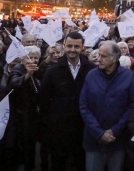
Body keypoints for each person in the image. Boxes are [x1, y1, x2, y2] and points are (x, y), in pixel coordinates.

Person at [39, 31, 95, 171]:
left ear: (82, 47)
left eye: (76, 46)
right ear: (64, 46)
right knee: (59, 162)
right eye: (69, 46)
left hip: (83, 125)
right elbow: (43, 98)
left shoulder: (91, 70)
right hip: (59, 127)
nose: (72, 50)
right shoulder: (53, 71)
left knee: (80, 163)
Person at [80, 41, 134, 171]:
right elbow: (84, 106)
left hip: (117, 140)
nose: (98, 59)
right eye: (99, 55)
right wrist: (99, 133)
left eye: (103, 56)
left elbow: (131, 106)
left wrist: (115, 130)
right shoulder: (91, 75)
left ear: (115, 58)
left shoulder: (127, 76)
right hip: (94, 140)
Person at [8, 45, 41, 171]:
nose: (32, 60)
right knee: (23, 143)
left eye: (35, 58)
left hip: (33, 113)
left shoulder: (37, 69)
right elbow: (14, 83)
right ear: (22, 59)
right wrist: (27, 75)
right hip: (21, 114)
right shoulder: (18, 69)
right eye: (29, 57)